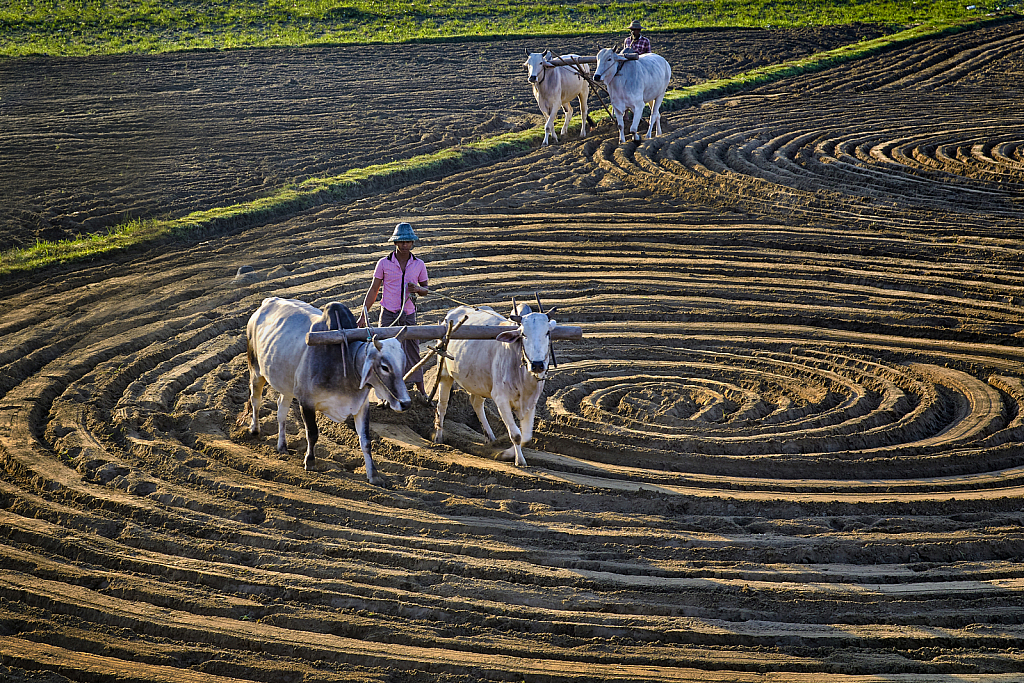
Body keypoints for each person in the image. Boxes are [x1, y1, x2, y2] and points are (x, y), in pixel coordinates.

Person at [357, 222, 430, 394]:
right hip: (389, 315)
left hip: (408, 315)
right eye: (401, 242)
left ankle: (421, 390)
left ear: (412, 243)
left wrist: (418, 289)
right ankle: (383, 391)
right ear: (395, 243)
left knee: (412, 351)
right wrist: (363, 315)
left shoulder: (419, 264)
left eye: (408, 242)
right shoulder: (383, 263)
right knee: (383, 353)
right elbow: (374, 289)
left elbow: (426, 289)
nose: (405, 245)